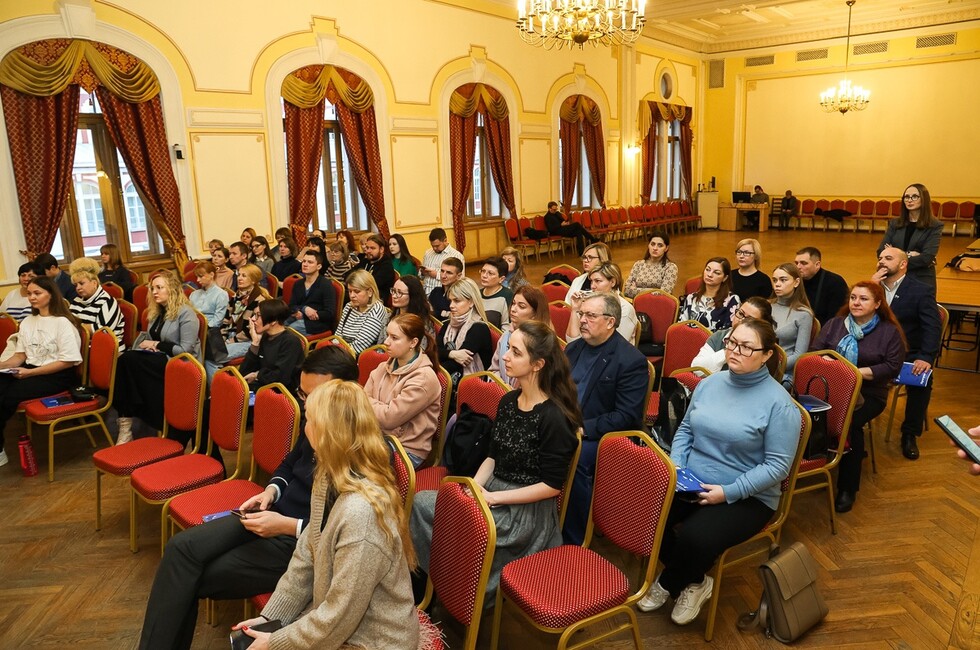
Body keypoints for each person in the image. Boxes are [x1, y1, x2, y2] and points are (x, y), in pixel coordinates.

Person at [139, 347, 360, 650]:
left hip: (300, 544)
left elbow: (340, 532)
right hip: (270, 514)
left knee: (189, 577)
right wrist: (270, 491)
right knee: (181, 549)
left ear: (345, 393)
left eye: (314, 396)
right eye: (303, 395)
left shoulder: (361, 449)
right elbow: (289, 464)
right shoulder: (316, 420)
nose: (305, 405)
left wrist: (287, 526)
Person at [233, 379, 419, 650]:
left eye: (309, 419)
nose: (304, 427)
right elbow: (306, 555)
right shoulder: (327, 476)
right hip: (341, 624)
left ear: (327, 433)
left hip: (374, 641)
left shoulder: (361, 514)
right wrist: (270, 619)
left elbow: (340, 616)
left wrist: (276, 642)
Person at [638, 318, 799, 626]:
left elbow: (777, 467)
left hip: (747, 495)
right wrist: (677, 466)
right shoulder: (710, 383)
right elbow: (686, 429)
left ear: (767, 355)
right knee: (645, 514)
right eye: (731, 342)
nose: (735, 351)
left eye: (746, 347)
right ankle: (696, 580)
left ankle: (669, 582)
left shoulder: (780, 405)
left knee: (695, 537)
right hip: (692, 479)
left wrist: (728, 492)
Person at [411, 320, 580, 598]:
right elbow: (492, 456)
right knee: (422, 504)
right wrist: (475, 486)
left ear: (537, 364)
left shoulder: (554, 417)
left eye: (516, 352)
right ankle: (429, 589)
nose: (505, 356)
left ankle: (457, 593)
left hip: (524, 511)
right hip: (492, 490)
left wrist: (493, 498)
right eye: (508, 348)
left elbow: (551, 486)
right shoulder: (509, 401)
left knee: (464, 523)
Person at [811, 281, 905, 513]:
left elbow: (892, 366)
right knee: (807, 414)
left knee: (850, 424)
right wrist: (830, 365)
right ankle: (813, 464)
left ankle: (847, 488)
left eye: (863, 299)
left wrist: (854, 373)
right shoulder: (835, 324)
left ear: (877, 304)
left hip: (870, 392)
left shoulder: (888, 332)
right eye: (853, 298)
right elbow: (814, 353)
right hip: (831, 389)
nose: (856, 302)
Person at [563, 293, 648, 545]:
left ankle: (573, 539)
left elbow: (626, 416)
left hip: (603, 434)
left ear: (611, 322)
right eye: (581, 314)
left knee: (575, 456)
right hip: (566, 422)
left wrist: (583, 428)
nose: (582, 320)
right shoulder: (573, 349)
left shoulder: (630, 360)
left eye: (590, 315)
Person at [0, 276, 83, 467]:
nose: (32, 297)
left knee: (8, 396)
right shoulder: (28, 321)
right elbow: (19, 356)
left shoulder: (62, 323)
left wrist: (30, 373)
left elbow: (67, 361)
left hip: (57, 375)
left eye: (37, 293)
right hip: (30, 368)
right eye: (29, 293)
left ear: (51, 295)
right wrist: (3, 365)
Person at [113, 270, 202, 445]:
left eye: (159, 288)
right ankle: (126, 423)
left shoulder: (187, 313)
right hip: (158, 359)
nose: (154, 292)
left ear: (172, 289)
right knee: (125, 362)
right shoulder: (157, 312)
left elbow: (185, 350)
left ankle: (128, 424)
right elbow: (148, 339)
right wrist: (150, 346)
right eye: (152, 288)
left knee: (128, 362)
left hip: (179, 363)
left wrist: (156, 345)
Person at [872, 247, 942, 461]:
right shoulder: (871, 288)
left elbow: (932, 327)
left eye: (888, 258)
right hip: (874, 351)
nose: (882, 261)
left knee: (922, 380)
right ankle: (852, 427)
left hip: (908, 353)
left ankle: (910, 433)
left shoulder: (920, 290)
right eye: (880, 258)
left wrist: (926, 356)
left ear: (903, 264)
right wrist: (871, 287)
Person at [365, 314, 442, 468]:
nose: (386, 342)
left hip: (406, 450)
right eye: (387, 335)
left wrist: (370, 405)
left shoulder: (423, 378)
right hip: (377, 437)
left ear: (413, 342)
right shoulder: (382, 367)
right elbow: (359, 402)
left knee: (350, 462)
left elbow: (389, 418)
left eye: (394, 338)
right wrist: (383, 414)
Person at [877, 183, 943, 291]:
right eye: (906, 197)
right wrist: (908, 254)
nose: (909, 200)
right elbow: (881, 251)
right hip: (893, 277)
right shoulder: (895, 223)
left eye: (915, 196)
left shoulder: (934, 225)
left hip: (921, 278)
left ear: (924, 199)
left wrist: (893, 256)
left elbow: (926, 258)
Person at [691, 297, 775, 374]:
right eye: (740, 314)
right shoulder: (720, 335)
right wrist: (728, 350)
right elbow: (696, 368)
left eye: (749, 319)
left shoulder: (762, 348)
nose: (741, 321)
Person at [239, 299, 307, 393]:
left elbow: (281, 378)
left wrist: (257, 375)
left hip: (280, 393)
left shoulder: (290, 342)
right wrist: (255, 343)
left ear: (273, 321)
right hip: (261, 387)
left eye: (258, 315)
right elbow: (243, 373)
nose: (253, 319)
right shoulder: (264, 336)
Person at [491, 285, 551, 387]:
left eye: (521, 306)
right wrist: (500, 387)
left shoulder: (543, 343)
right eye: (513, 303)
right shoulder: (506, 335)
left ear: (535, 314)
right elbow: (494, 369)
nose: (513, 309)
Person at [437, 278, 493, 384]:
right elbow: (435, 351)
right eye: (450, 301)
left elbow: (458, 363)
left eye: (457, 301)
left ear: (471, 302)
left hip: (472, 384)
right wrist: (452, 354)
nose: (451, 306)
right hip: (447, 377)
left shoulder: (479, 328)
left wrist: (432, 369)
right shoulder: (448, 324)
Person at [566, 263, 637, 343]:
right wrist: (575, 309)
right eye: (591, 281)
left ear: (612, 282)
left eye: (598, 281)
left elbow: (616, 344)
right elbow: (571, 341)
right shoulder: (586, 304)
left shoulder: (625, 309)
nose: (592, 286)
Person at [769, 262, 814, 380]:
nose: (777, 284)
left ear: (796, 282)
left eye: (783, 280)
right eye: (774, 280)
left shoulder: (803, 314)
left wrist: (773, 367)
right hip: (757, 363)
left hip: (784, 371)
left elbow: (799, 354)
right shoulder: (766, 305)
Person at [69, 262, 126, 349]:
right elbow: (69, 323)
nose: (78, 288)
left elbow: (105, 331)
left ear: (94, 283)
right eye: (76, 285)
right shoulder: (77, 300)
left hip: (108, 349)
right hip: (82, 346)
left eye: (81, 283)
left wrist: (78, 327)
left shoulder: (107, 301)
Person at [222, 263, 270, 365]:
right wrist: (223, 337)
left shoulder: (259, 300)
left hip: (248, 340)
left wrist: (231, 341)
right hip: (232, 334)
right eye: (239, 275)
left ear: (253, 280)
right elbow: (226, 319)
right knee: (208, 350)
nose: (239, 278)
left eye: (244, 276)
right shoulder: (237, 296)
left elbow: (252, 329)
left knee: (217, 356)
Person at [679, 257, 741, 332]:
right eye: (708, 270)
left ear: (725, 278)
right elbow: (680, 327)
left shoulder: (732, 300)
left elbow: (728, 332)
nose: (710, 275)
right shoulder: (691, 298)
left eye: (716, 273)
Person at [335, 270, 389, 355]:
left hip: (357, 357)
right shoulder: (349, 306)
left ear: (370, 292)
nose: (352, 295)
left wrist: (335, 352)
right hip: (341, 352)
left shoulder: (376, 310)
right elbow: (337, 336)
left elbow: (358, 348)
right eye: (350, 291)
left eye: (357, 291)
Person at [285, 251, 336, 336]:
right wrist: (304, 309)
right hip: (298, 317)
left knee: (289, 331)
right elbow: (291, 305)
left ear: (319, 266)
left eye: (310, 262)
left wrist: (304, 314)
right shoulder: (298, 283)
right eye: (304, 261)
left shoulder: (326, 285)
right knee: (277, 325)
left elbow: (329, 313)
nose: (305, 264)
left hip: (317, 323)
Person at [794, 246, 849, 326]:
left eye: (804, 263)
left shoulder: (835, 282)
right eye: (796, 263)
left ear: (817, 265)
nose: (798, 267)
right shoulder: (795, 281)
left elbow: (837, 318)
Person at [623, 230, 678, 298]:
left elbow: (663, 295)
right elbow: (626, 291)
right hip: (637, 304)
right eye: (652, 244)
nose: (655, 248)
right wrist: (655, 290)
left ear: (666, 248)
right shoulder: (638, 265)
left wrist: (635, 290)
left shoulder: (670, 267)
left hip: (658, 304)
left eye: (660, 245)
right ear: (648, 245)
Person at [381, 276, 434, 344]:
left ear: (413, 296)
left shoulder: (422, 324)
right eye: (393, 291)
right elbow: (379, 346)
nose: (394, 296)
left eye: (400, 293)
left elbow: (422, 349)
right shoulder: (388, 317)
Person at [419, 227, 464, 295]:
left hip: (443, 294)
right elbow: (421, 277)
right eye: (432, 246)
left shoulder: (456, 255)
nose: (434, 248)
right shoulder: (428, 253)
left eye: (437, 246)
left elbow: (460, 280)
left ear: (445, 240)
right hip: (425, 293)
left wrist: (436, 275)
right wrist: (422, 273)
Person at [188, 261, 229, 330]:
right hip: (193, 328)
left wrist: (202, 330)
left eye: (201, 276)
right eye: (197, 277)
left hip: (210, 330)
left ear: (211, 275)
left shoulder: (221, 294)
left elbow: (217, 321)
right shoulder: (194, 294)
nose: (198, 280)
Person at [356, 234, 396, 300]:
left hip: (376, 299)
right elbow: (349, 274)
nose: (368, 251)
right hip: (361, 294)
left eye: (372, 248)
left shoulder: (386, 266)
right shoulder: (366, 261)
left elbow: (372, 285)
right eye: (367, 248)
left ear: (381, 249)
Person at [479, 257, 514, 329]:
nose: (484, 275)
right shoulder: (477, 294)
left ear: (501, 279)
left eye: (490, 273)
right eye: (483, 271)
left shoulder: (507, 296)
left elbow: (508, 325)